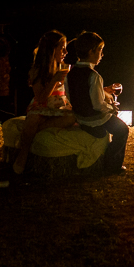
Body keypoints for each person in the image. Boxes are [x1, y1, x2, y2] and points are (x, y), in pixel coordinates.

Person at [13, 30, 77, 175]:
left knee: (73, 117)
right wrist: (54, 80)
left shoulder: (64, 67)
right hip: (43, 107)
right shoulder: (37, 71)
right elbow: (41, 98)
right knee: (34, 117)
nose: (65, 52)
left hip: (59, 107)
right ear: (51, 50)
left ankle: (37, 130)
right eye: (62, 48)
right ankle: (23, 155)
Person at [65, 32, 129, 174]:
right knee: (123, 130)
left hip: (80, 117)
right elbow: (98, 105)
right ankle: (112, 166)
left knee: (112, 125)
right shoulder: (94, 76)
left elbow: (70, 97)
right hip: (95, 119)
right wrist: (111, 108)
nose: (102, 54)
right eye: (100, 50)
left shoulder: (70, 74)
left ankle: (93, 130)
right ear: (91, 51)